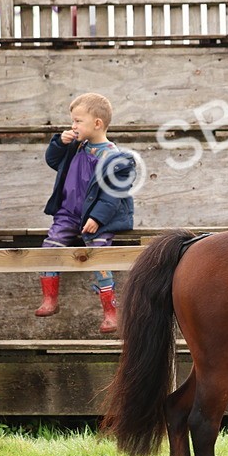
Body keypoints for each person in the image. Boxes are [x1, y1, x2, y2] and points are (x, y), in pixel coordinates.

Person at [34, 93, 135, 334]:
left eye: (78, 121)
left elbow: (113, 194)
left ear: (97, 124)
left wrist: (97, 218)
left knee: (98, 258)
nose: (73, 126)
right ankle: (50, 300)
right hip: (68, 213)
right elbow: (52, 160)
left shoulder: (116, 158)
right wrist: (60, 142)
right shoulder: (75, 146)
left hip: (99, 218)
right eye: (73, 121)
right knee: (50, 248)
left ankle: (111, 312)